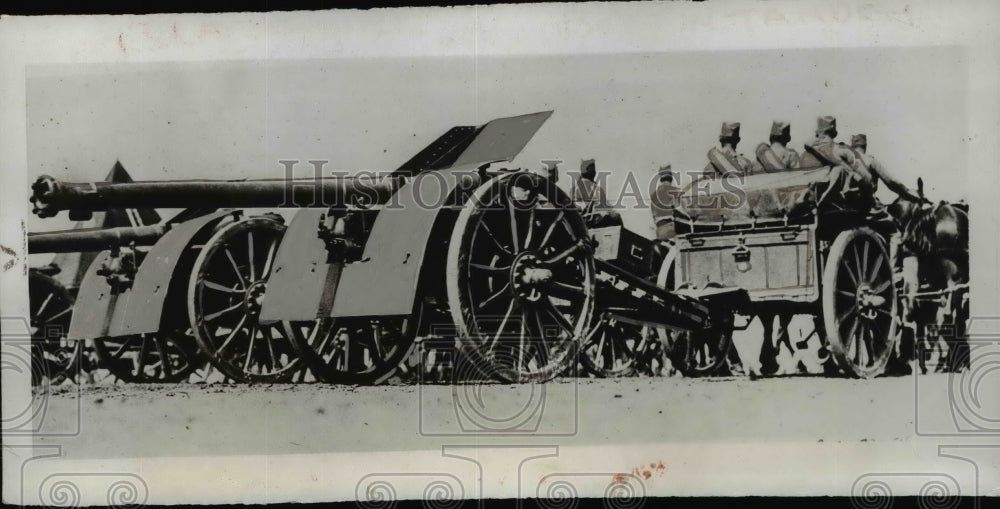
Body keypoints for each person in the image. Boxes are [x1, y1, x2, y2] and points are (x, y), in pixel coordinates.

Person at [574, 158, 621, 227]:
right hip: (593, 221)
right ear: (592, 172)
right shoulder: (593, 187)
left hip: (580, 221)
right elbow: (609, 209)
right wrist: (616, 215)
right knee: (616, 217)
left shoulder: (577, 187)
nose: (595, 172)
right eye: (593, 169)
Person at [650, 164, 680, 241]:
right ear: (671, 178)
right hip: (671, 227)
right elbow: (679, 211)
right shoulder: (675, 191)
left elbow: (653, 216)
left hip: (659, 229)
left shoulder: (654, 195)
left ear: (661, 179)